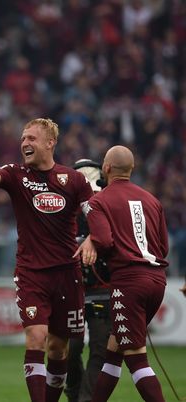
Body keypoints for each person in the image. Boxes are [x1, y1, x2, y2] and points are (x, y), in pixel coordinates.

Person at [0, 118, 94, 402]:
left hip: (67, 274)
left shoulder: (74, 180)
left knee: (59, 349)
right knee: (36, 337)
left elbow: (95, 216)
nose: (25, 143)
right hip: (31, 273)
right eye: (23, 139)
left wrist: (94, 239)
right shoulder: (16, 175)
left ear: (50, 143)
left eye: (32, 138)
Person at [75, 146, 168, 402]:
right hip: (157, 281)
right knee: (114, 350)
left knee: (136, 358)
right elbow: (163, 246)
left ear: (105, 169)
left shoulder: (98, 201)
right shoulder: (152, 200)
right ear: (132, 169)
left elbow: (103, 241)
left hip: (128, 283)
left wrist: (93, 242)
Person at [64, 159, 111, 402]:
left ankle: (85, 398)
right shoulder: (64, 209)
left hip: (104, 288)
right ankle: (75, 393)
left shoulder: (110, 206)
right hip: (72, 290)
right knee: (69, 350)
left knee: (100, 351)